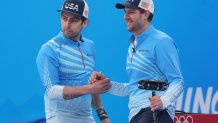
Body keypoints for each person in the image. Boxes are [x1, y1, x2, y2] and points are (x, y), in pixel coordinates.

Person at [90, 0, 184, 122]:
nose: (125, 17)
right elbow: (135, 88)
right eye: (125, 12)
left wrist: (163, 101)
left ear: (146, 14)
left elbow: (178, 81)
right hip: (136, 114)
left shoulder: (161, 41)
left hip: (156, 112)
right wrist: (106, 85)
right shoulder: (133, 46)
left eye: (131, 12)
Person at [36, 0, 111, 122]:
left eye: (73, 20)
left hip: (87, 116)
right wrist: (89, 88)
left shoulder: (90, 46)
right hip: (60, 117)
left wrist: (103, 116)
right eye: (64, 18)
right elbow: (51, 91)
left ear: (84, 22)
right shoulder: (49, 49)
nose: (67, 24)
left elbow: (92, 85)